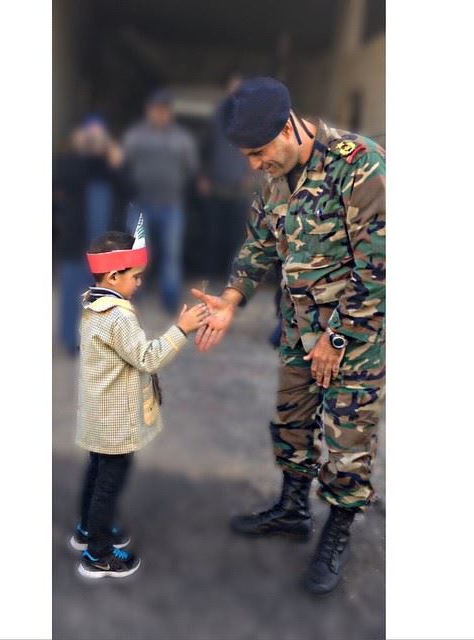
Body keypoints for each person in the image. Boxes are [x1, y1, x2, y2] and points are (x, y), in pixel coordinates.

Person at [192, 77, 385, 595]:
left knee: (348, 439)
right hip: (299, 330)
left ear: (288, 127)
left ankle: (339, 529)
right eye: (247, 156)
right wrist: (232, 300)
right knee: (293, 423)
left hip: (354, 339)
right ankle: (293, 509)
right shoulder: (276, 177)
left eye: (258, 152)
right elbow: (260, 245)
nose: (253, 165)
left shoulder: (358, 163)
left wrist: (337, 339)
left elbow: (380, 268)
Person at [71, 218, 208, 579]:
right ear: (113, 277)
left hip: (98, 414)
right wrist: (181, 330)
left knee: (98, 471)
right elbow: (148, 357)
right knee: (109, 481)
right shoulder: (118, 317)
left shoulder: (93, 302)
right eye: (135, 276)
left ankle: (88, 529)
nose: (140, 282)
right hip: (114, 420)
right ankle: (98, 555)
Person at [53, 114, 126, 354]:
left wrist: (116, 159)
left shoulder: (110, 167)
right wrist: (80, 151)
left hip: (104, 249)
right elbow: (61, 179)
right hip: (76, 243)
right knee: (71, 295)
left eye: (99, 137)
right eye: (90, 136)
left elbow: (129, 189)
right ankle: (69, 341)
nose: (95, 142)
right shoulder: (71, 163)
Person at [122, 89, 199, 313]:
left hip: (171, 205)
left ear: (169, 112)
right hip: (140, 204)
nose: (160, 114)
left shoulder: (182, 139)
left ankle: (169, 301)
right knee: (138, 255)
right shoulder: (135, 136)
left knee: (171, 255)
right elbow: (123, 163)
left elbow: (191, 168)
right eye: (156, 109)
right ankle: (132, 295)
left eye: (164, 110)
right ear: (148, 111)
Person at [197, 73, 253, 278]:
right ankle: (208, 276)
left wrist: (249, 174)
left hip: (238, 189)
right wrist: (202, 176)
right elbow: (203, 149)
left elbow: (256, 149)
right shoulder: (216, 118)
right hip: (215, 187)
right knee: (212, 235)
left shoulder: (250, 119)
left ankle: (229, 278)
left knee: (235, 237)